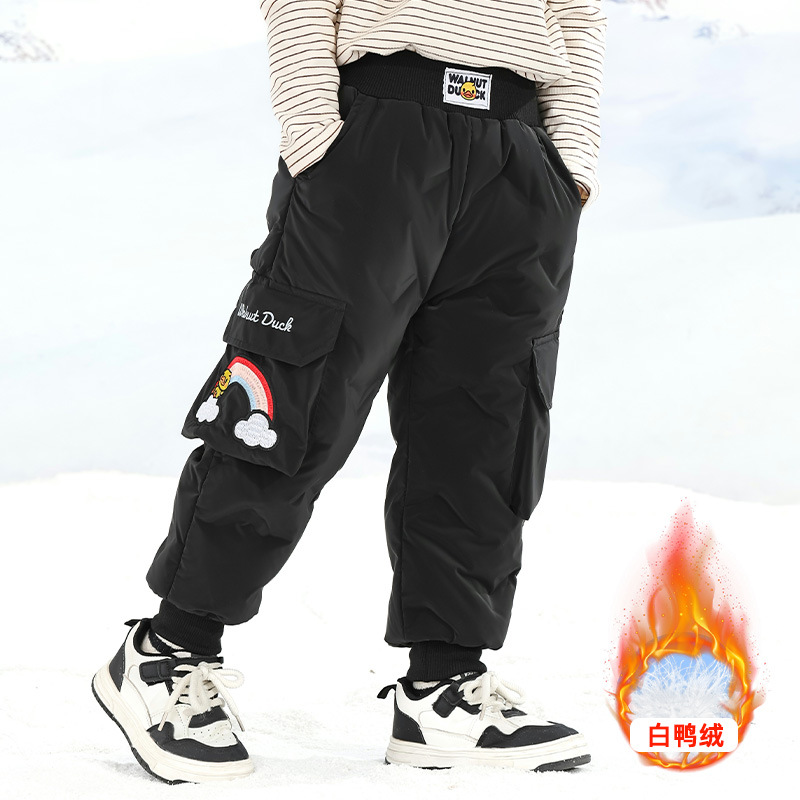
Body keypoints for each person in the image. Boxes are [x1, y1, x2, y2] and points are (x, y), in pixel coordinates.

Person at [92, 0, 607, 783]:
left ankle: (445, 684)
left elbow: (577, 14)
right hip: (378, 134)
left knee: (489, 422)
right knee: (293, 398)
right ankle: (169, 650)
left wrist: (571, 163)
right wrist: (315, 135)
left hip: (519, 152)